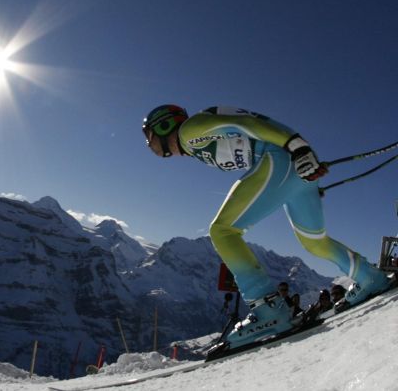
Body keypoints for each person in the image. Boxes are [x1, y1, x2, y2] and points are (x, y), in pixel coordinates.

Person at [142, 104, 393, 348]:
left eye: (149, 135)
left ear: (164, 125)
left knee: (223, 230)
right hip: (291, 169)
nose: (149, 143)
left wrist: (297, 146)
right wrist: (299, 159)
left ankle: (268, 308)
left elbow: (248, 123)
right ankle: (368, 277)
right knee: (315, 242)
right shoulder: (193, 141)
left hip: (277, 161)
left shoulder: (189, 130)